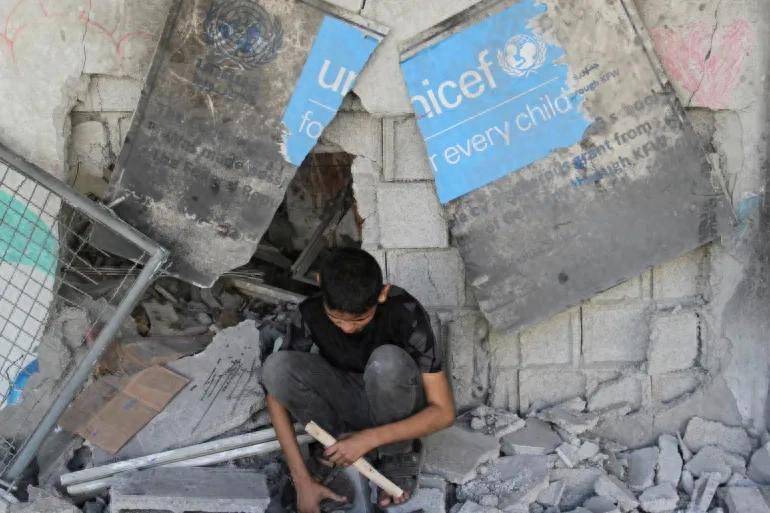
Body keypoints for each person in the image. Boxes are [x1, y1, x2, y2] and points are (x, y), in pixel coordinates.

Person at [262, 248, 456, 513]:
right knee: (276, 368)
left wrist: (368, 439)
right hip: (349, 399)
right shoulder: (310, 313)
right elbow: (276, 394)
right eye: (336, 319)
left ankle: (396, 453)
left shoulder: (404, 311)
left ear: (382, 293)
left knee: (386, 362)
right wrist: (301, 480)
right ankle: (336, 447)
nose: (347, 328)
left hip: (396, 405)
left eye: (360, 319)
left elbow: (444, 413)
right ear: (319, 283)